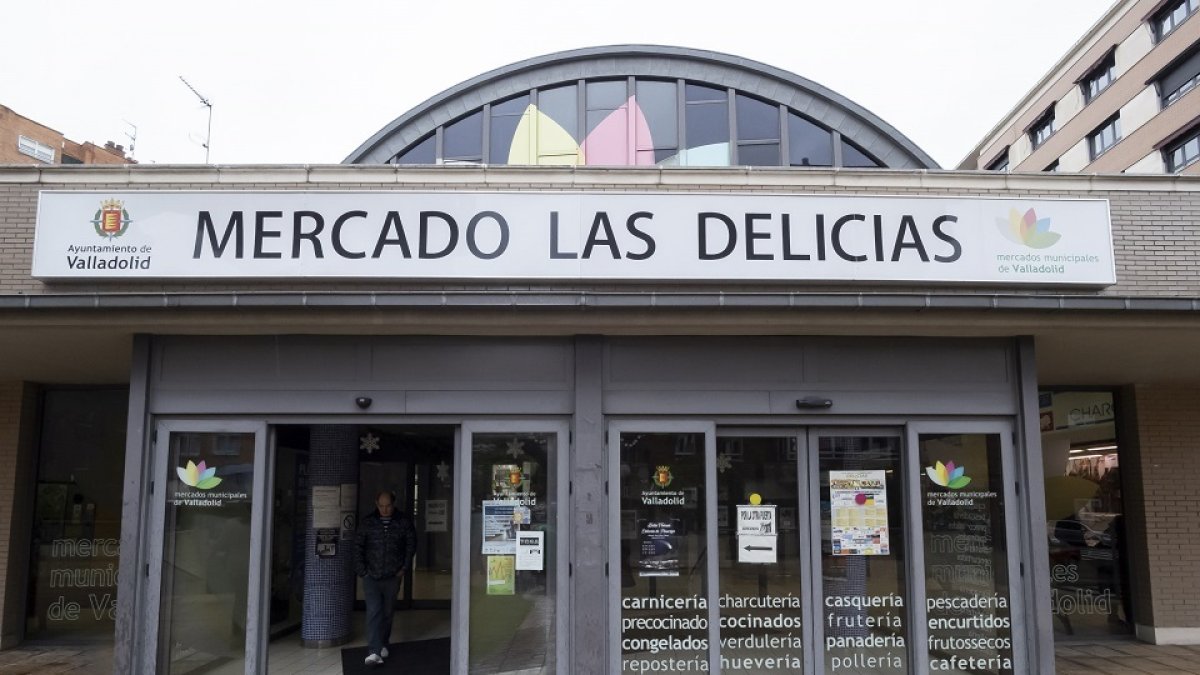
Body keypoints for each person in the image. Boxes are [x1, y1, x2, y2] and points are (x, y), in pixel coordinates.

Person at [354, 489, 417, 667]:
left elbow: (411, 544)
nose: (385, 509)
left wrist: (403, 568)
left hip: (392, 576)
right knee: (374, 612)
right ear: (376, 504)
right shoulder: (368, 523)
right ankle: (374, 651)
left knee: (388, 613)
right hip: (371, 576)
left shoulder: (403, 522)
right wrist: (362, 571)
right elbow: (358, 546)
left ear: (393, 504)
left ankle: (383, 643)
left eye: (388, 505)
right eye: (381, 506)